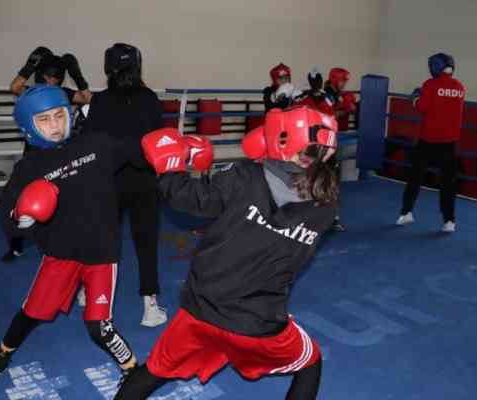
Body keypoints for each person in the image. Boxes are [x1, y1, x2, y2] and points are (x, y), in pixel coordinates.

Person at [115, 106, 339, 400]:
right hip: (259, 321)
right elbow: (282, 197)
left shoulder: (245, 177)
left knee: (155, 370)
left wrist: (170, 169)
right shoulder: (327, 206)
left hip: (201, 310)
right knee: (310, 363)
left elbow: (190, 199)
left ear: (282, 139)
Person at [0, 85, 141, 393]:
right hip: (60, 253)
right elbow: (9, 218)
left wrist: (170, 149)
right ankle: (1, 356)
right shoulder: (28, 169)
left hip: (101, 254)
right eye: (45, 119)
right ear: (29, 128)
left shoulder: (97, 144)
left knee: (99, 327)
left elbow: (138, 150)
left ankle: (132, 369)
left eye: (59, 115)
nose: (55, 125)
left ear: (69, 115)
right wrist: (21, 218)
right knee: (30, 313)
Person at [82, 43, 167, 327]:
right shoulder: (150, 99)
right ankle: (150, 306)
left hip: (110, 179)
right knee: (146, 242)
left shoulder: (100, 101)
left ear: (108, 68)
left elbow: (91, 142)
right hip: (143, 179)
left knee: (104, 239)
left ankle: (90, 292)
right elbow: (158, 142)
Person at [2, 46, 93, 263]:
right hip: (33, 154)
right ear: (41, 75)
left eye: (56, 77)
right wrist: (28, 66)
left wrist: (78, 76)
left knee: (63, 197)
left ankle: (62, 240)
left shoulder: (62, 94)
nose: (52, 81)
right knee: (21, 199)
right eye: (48, 76)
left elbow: (87, 98)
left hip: (60, 154)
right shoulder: (32, 93)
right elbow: (14, 86)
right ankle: (15, 245)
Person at [397, 53, 465, 233]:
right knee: (448, 183)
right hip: (450, 143)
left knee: (415, 177)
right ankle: (449, 221)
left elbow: (422, 107)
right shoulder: (459, 87)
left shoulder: (431, 84)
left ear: (435, 66)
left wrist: (415, 98)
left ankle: (406, 213)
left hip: (428, 141)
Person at [295, 67, 355, 232]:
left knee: (324, 178)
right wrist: (345, 109)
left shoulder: (318, 96)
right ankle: (324, 216)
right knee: (323, 177)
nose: (344, 84)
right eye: (342, 80)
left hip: (320, 141)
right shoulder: (322, 96)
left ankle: (330, 216)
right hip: (319, 142)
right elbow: (330, 116)